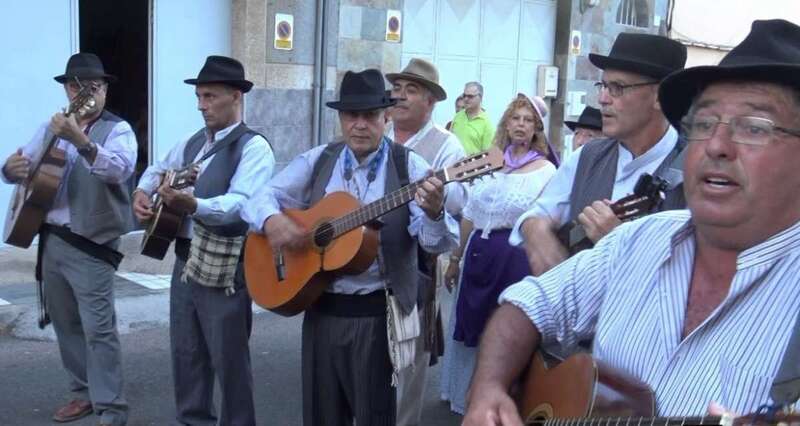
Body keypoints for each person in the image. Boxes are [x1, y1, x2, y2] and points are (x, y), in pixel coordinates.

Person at [463, 19, 800, 425]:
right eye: (704, 124)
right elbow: (528, 303)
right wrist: (489, 390)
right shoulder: (639, 238)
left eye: (754, 127)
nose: (716, 146)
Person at [242, 68, 458, 426]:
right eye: (351, 115)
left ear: (386, 117)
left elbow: (433, 242)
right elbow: (259, 197)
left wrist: (435, 211)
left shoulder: (411, 168)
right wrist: (272, 220)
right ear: (341, 118)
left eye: (370, 115)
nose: (360, 124)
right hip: (320, 308)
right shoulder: (320, 160)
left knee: (375, 415)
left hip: (377, 316)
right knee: (321, 414)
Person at [132, 55, 274, 425]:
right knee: (186, 355)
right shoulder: (192, 142)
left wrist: (193, 204)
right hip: (185, 260)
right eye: (199, 96)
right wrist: (143, 192)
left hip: (226, 266)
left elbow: (240, 206)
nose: (201, 105)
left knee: (229, 362)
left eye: (210, 96)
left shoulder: (254, 147)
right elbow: (157, 167)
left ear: (236, 96)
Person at [1, 53, 136, 426]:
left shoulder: (118, 130)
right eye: (79, 86)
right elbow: (21, 163)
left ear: (104, 90)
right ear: (68, 89)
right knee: (66, 325)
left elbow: (119, 170)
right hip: (52, 239)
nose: (89, 92)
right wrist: (9, 171)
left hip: (92, 244)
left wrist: (82, 141)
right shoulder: (51, 127)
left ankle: (111, 406)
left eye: (97, 86)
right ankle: (83, 392)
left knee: (99, 329)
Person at [512, 32, 688, 276]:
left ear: (660, 96)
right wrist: (535, 229)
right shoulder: (587, 156)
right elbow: (538, 214)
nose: (603, 99)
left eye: (617, 88)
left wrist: (620, 245)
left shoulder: (695, 171)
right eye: (603, 86)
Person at [440, 94, 558, 415]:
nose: (520, 125)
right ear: (506, 123)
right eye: (516, 118)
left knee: (503, 333)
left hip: (514, 262)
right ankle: (468, 399)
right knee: (473, 325)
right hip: (477, 256)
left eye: (528, 120)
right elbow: (469, 212)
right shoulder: (487, 160)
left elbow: (548, 222)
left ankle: (505, 402)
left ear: (536, 129)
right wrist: (455, 258)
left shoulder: (545, 170)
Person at [385, 57, 468, 426]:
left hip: (417, 264)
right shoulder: (377, 131)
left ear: (431, 102)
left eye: (411, 90)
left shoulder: (447, 147)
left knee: (407, 364)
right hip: (367, 260)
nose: (399, 96)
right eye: (397, 89)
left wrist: (434, 200)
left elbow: (458, 203)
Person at [450, 82, 495, 155]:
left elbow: (488, 155)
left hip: (473, 165)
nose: (466, 99)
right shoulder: (458, 116)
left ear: (480, 98)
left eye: (470, 96)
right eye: (464, 95)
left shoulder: (486, 124)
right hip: (453, 164)